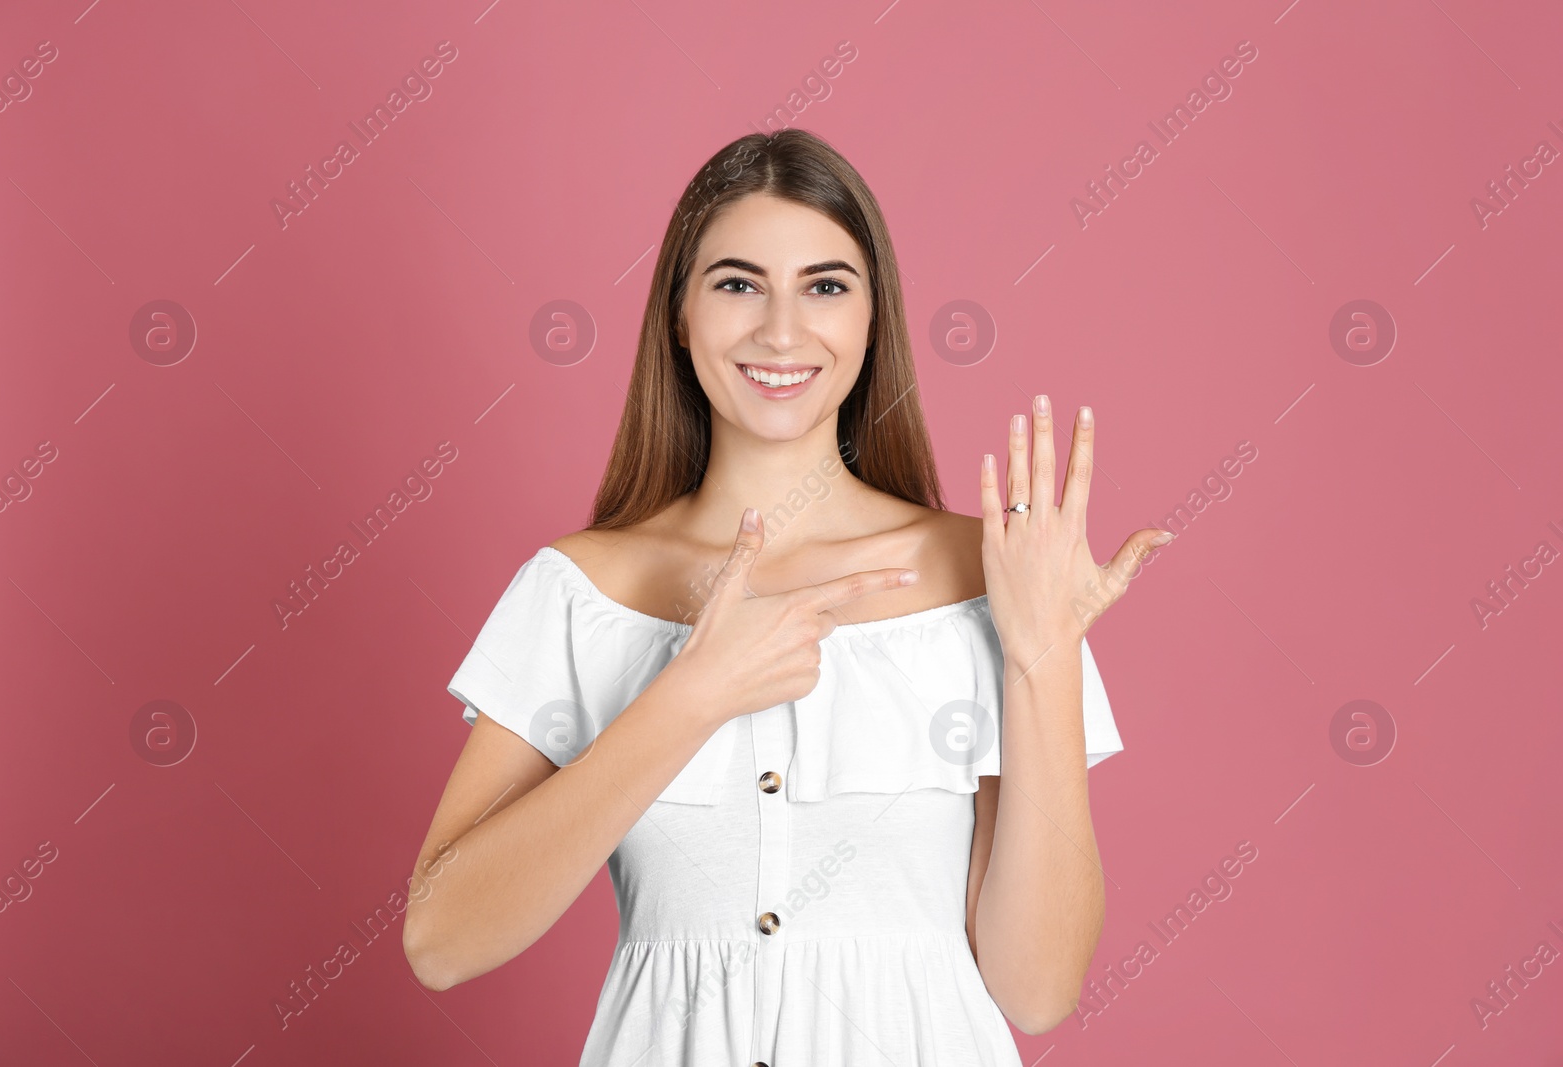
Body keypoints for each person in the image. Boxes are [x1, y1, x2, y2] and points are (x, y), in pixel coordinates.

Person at [403, 127, 1172, 1065]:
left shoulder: (992, 576)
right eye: (736, 283)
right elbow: (441, 942)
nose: (780, 329)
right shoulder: (582, 593)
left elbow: (1038, 988)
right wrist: (692, 693)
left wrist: (1039, 655)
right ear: (679, 317)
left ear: (872, 320)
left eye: (826, 285)